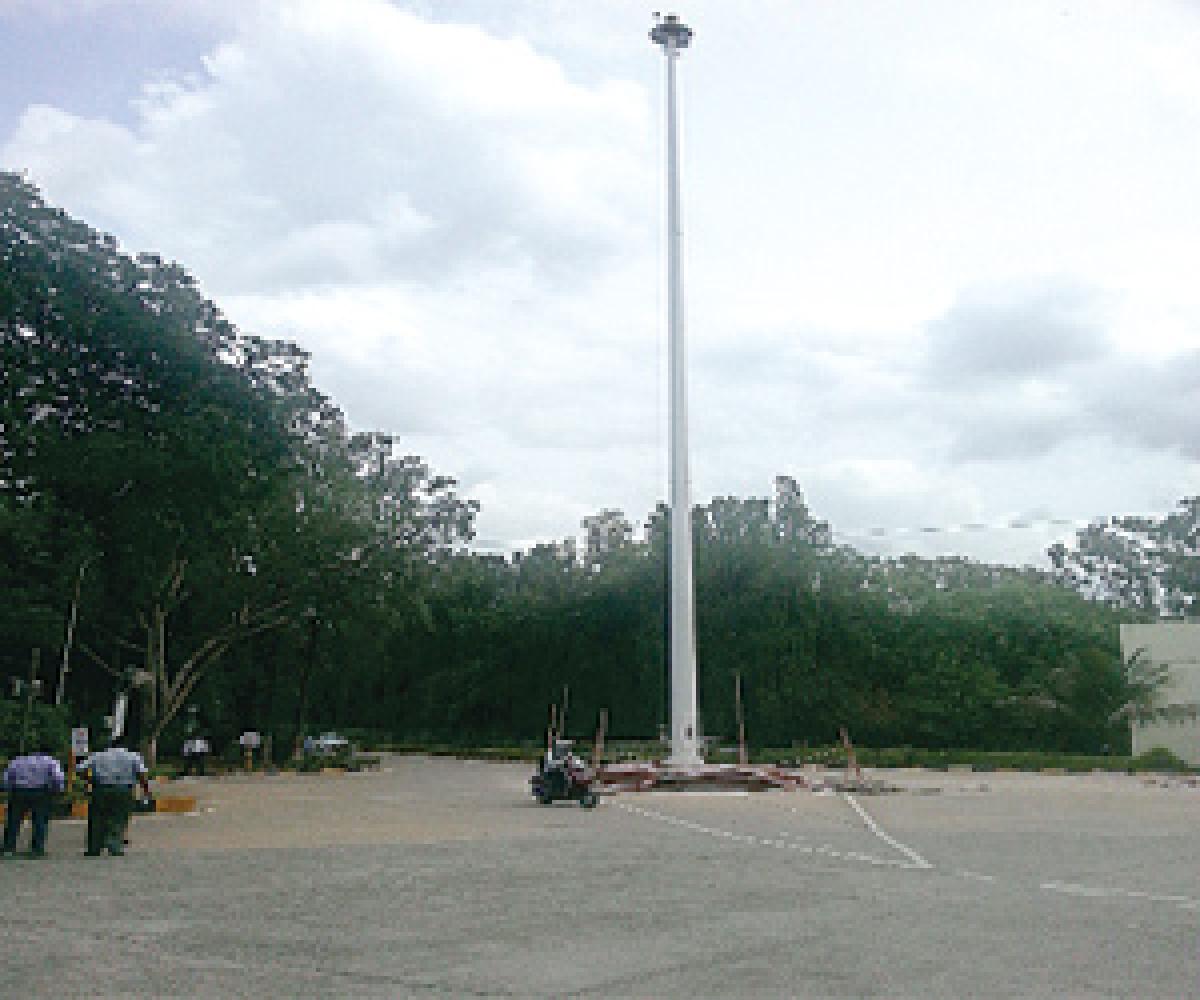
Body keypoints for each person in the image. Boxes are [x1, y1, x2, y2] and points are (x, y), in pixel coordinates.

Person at [84, 739, 151, 857]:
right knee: (119, 817)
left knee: (97, 817)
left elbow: (81, 768)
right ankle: (114, 847)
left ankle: (94, 848)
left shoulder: (98, 755)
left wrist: (90, 780)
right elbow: (142, 774)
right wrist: (145, 790)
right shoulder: (132, 756)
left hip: (100, 789)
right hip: (123, 790)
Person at [1, 745, 65, 858]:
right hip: (40, 792)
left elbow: (7, 778)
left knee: (13, 820)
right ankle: (37, 849)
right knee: (40, 820)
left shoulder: (17, 761)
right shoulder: (50, 761)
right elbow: (57, 777)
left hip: (19, 792)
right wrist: (57, 790)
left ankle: (8, 847)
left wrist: (8, 789)